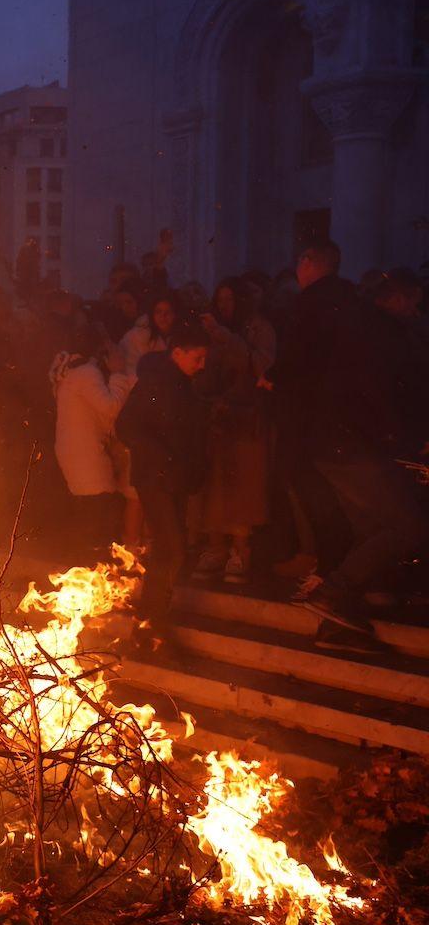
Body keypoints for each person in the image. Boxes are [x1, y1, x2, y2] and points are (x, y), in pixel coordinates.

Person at [264, 240, 429, 654]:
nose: (416, 310)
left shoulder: (339, 318)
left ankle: (339, 620)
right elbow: (381, 391)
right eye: (413, 302)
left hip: (324, 443)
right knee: (409, 525)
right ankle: (333, 594)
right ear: (396, 297)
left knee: (369, 528)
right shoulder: (373, 330)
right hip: (352, 444)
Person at [116, 325, 210, 641]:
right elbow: (126, 426)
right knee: (172, 547)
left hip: (174, 480)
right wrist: (164, 457)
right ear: (178, 353)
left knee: (169, 548)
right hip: (156, 478)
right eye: (197, 358)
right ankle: (151, 619)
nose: (202, 365)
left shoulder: (187, 386)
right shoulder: (155, 382)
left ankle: (150, 620)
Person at [197, 279, 268, 585]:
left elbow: (262, 365)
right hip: (216, 421)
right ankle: (215, 547)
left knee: (243, 491)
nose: (225, 306)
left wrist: (227, 338)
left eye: (230, 300)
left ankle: (240, 550)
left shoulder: (259, 328)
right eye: (220, 300)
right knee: (214, 488)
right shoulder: (209, 335)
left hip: (248, 422)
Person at [51, 325, 135, 557]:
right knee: (96, 523)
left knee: (91, 521)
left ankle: (88, 575)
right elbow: (109, 408)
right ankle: (91, 574)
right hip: (86, 456)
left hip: (78, 453)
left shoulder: (70, 371)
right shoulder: (87, 373)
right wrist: (118, 374)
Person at [118, 292, 179, 375]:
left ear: (175, 314)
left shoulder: (181, 339)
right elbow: (130, 369)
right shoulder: (137, 337)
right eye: (158, 312)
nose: (163, 316)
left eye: (168, 312)